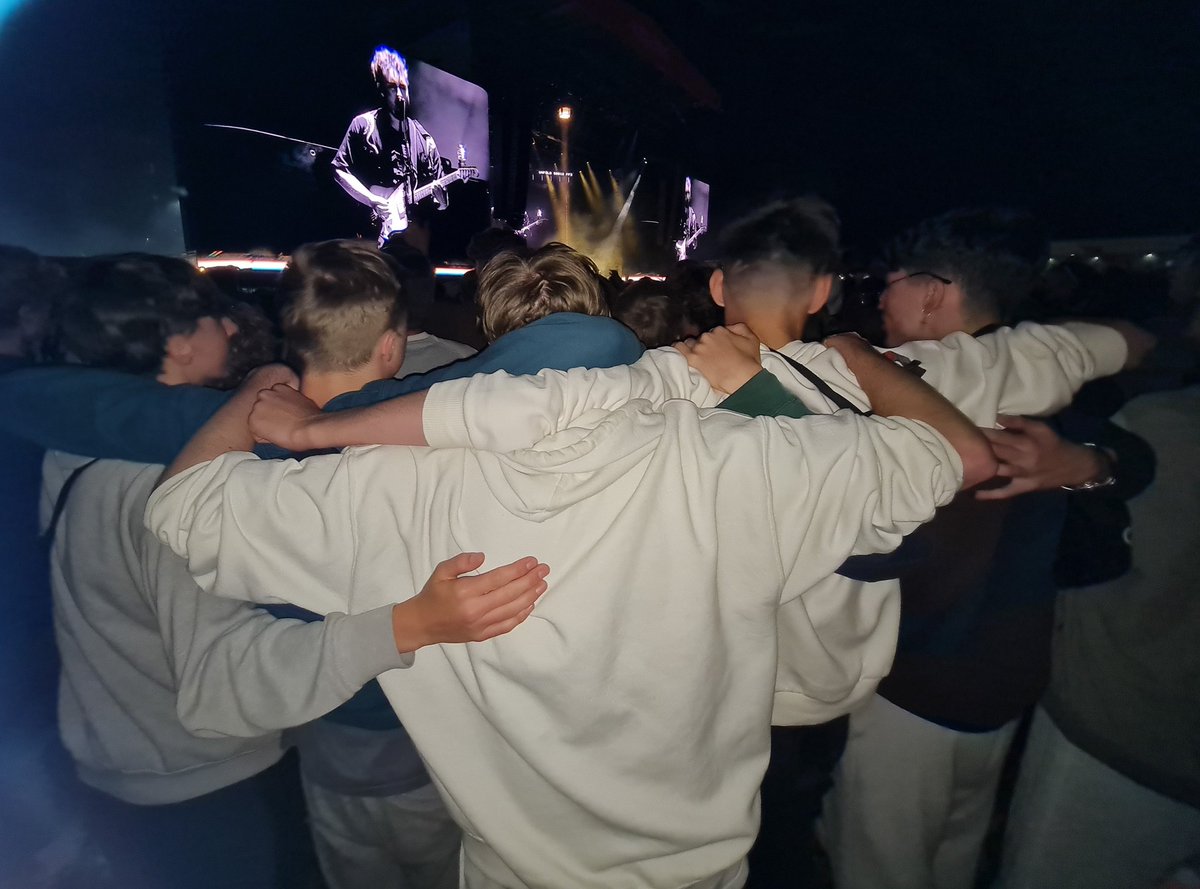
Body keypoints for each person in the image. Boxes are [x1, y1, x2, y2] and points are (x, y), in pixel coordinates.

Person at [148, 304, 996, 888]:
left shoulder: (383, 486)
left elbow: (183, 511)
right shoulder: (743, 458)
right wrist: (847, 355)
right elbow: (959, 455)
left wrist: (264, 382)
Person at [38, 253, 546, 889]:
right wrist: (407, 626)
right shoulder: (172, 483)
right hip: (200, 779)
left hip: (114, 758)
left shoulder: (72, 444)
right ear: (172, 342)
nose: (229, 330)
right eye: (208, 320)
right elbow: (223, 680)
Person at [332, 47, 445, 252]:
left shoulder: (424, 138)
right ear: (381, 89)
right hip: (369, 239)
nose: (400, 95)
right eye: (393, 87)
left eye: (403, 87)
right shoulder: (363, 125)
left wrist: (442, 200)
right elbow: (339, 170)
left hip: (411, 245)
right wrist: (371, 199)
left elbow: (441, 202)